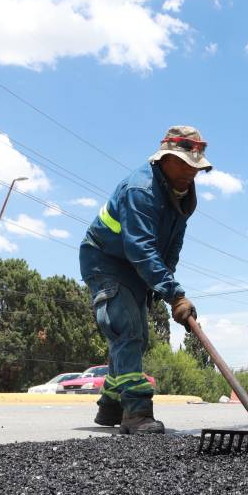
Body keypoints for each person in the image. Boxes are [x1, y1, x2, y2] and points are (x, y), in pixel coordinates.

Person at [79, 126, 210, 434]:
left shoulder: (182, 194)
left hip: (136, 266)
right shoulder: (140, 190)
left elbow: (171, 247)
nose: (191, 172)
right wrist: (174, 294)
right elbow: (139, 246)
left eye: (196, 167)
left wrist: (165, 285)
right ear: (164, 159)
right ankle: (136, 413)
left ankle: (110, 406)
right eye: (184, 164)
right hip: (107, 261)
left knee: (136, 337)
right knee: (127, 331)